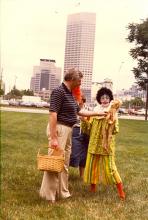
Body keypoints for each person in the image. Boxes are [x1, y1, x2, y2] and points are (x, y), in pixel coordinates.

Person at [39, 68, 106, 203]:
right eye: (79, 81)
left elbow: (80, 112)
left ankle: (62, 192)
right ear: (72, 79)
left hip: (68, 129)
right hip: (59, 129)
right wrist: (53, 137)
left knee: (64, 163)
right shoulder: (59, 91)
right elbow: (53, 114)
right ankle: (47, 195)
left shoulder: (69, 93)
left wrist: (99, 113)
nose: (80, 84)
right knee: (55, 162)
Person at [83, 87, 125, 199]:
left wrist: (111, 120)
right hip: (94, 144)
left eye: (107, 97)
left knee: (110, 168)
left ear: (110, 99)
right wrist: (84, 120)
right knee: (92, 167)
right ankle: (93, 189)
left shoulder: (113, 112)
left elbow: (116, 130)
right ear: (99, 99)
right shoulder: (95, 111)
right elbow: (88, 129)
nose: (105, 100)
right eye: (102, 98)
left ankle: (121, 192)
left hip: (106, 145)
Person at [69, 95, 89, 178]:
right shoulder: (73, 109)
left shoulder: (88, 110)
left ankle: (81, 176)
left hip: (86, 133)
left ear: (83, 101)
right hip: (76, 131)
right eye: (76, 99)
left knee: (84, 155)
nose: (77, 101)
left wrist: (85, 120)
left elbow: (91, 122)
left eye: (79, 100)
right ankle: (65, 173)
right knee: (73, 154)